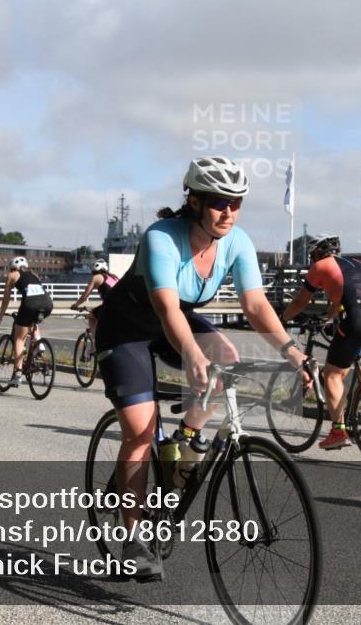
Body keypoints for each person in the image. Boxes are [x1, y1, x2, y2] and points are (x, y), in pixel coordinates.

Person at [95, 155, 310, 580]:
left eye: (236, 203)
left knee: (227, 359)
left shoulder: (237, 242)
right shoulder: (162, 236)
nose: (228, 212)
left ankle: (185, 437)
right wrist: (193, 354)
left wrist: (292, 351)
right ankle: (133, 539)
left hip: (176, 323)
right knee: (140, 431)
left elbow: (255, 305)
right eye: (218, 202)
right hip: (126, 330)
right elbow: (166, 306)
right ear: (193, 201)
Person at [282, 234, 361, 449]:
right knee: (347, 360)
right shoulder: (356, 263)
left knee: (331, 374)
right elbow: (341, 298)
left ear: (317, 253)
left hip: (359, 319)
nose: (312, 259)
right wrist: (328, 317)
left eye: (312, 255)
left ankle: (338, 431)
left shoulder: (320, 266)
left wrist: (283, 318)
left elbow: (300, 301)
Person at [0, 256, 54, 387]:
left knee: (19, 338)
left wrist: (0, 317)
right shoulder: (34, 274)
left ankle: (17, 374)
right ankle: (38, 343)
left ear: (12, 268)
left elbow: (6, 298)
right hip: (47, 304)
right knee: (32, 321)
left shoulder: (12, 275)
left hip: (30, 305)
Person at [70, 259, 119, 343]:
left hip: (110, 307)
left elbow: (85, 296)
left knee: (91, 316)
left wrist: (76, 305)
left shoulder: (96, 277)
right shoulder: (114, 277)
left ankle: (96, 343)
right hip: (122, 306)